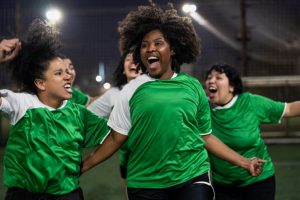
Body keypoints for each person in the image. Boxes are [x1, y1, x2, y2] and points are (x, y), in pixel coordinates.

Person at [81, 3, 265, 200]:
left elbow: (205, 136)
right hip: (145, 181)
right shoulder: (131, 90)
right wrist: (85, 165)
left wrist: (244, 162)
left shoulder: (193, 87)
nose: (150, 48)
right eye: (144, 45)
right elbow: (116, 138)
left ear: (173, 49)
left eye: (158, 43)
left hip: (192, 175)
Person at [0, 19, 110, 200]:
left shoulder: (78, 112)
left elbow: (116, 135)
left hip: (68, 195)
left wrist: (88, 163)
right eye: (59, 73)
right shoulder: (21, 104)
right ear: (40, 83)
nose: (68, 75)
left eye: (67, 70)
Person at [204, 63, 300, 200]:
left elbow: (289, 109)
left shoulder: (250, 102)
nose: (211, 81)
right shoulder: (202, 109)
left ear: (232, 87)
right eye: (209, 78)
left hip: (259, 181)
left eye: (218, 78)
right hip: (223, 185)